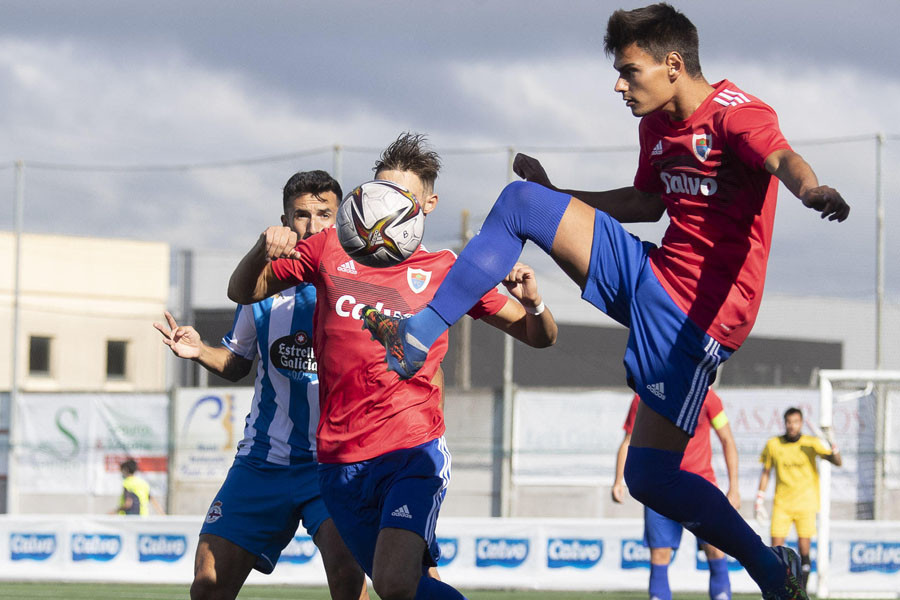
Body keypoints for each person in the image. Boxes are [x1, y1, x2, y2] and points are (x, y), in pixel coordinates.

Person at [361, 5, 850, 599]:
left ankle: (771, 569)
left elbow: (780, 158)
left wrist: (811, 189)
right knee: (522, 202)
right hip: (655, 272)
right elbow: (646, 202)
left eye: (629, 71)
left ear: (673, 64)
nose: (619, 85)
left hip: (698, 318)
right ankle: (419, 334)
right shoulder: (657, 127)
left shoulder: (737, 115)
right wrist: (557, 196)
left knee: (648, 475)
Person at [228, 132, 558, 600]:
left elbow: (537, 336)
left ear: (428, 204)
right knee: (398, 588)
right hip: (338, 460)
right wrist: (263, 248)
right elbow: (242, 291)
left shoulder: (449, 269)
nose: (385, 203)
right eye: (378, 191)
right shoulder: (328, 249)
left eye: (401, 196)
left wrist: (537, 304)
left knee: (396, 583)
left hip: (411, 449)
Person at [154, 170, 367, 600]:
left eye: (325, 214)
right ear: (284, 221)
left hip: (334, 460)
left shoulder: (359, 284)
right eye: (301, 215)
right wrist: (201, 352)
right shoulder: (263, 287)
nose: (314, 225)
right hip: (264, 460)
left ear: (340, 217)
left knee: (348, 579)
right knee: (207, 584)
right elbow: (236, 363)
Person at [613, 390, 739, 600]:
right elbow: (629, 440)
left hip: (701, 487)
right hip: (658, 488)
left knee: (716, 549)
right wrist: (618, 480)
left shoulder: (708, 397)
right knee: (660, 555)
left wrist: (734, 488)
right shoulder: (644, 395)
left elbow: (727, 440)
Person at [756, 407, 842, 592]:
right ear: (784, 423)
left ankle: (801, 591)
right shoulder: (773, 444)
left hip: (806, 505)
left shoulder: (810, 444)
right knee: (775, 552)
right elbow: (766, 472)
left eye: (795, 422)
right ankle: (778, 589)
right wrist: (759, 500)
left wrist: (832, 443)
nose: (792, 426)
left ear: (801, 423)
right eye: (789, 422)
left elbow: (837, 462)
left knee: (804, 551)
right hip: (782, 505)